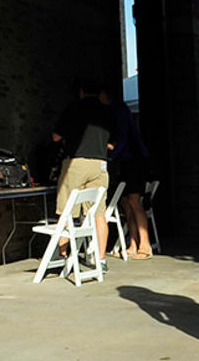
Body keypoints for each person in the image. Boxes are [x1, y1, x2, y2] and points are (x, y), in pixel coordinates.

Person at [51, 78, 117, 267]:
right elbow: (113, 143)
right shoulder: (107, 111)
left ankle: (62, 256)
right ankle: (101, 259)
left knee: (66, 211)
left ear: (80, 91)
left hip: (76, 163)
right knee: (98, 212)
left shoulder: (73, 108)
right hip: (100, 165)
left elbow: (56, 137)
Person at [106, 86, 152, 259]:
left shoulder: (119, 111)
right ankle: (133, 243)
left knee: (134, 200)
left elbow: (123, 139)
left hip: (134, 159)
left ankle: (145, 245)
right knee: (125, 202)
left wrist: (111, 155)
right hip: (125, 160)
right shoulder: (115, 110)